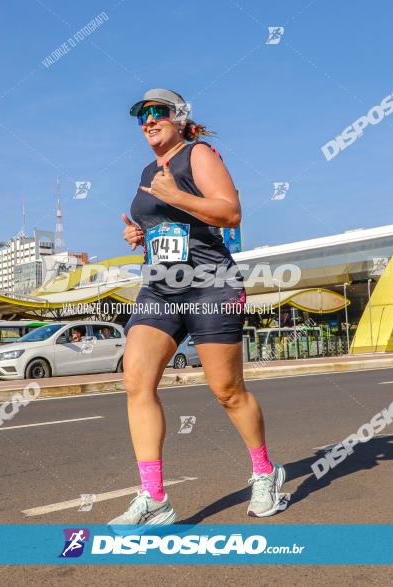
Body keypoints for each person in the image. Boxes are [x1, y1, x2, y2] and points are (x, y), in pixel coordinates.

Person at [110, 89, 285, 531]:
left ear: (179, 117)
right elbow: (168, 227)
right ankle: (154, 498)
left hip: (210, 285)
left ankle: (265, 473)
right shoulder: (149, 170)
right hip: (161, 288)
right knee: (136, 380)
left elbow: (230, 213)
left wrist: (176, 196)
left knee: (227, 390)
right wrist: (141, 236)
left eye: (157, 113)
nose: (148, 121)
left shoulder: (197, 155)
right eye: (141, 116)